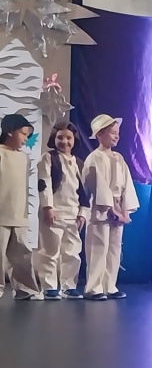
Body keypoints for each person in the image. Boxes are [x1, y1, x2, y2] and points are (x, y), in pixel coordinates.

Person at [82, 114, 139, 301]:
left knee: (114, 249)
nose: (116, 136)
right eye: (112, 133)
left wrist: (125, 210)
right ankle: (94, 287)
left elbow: (127, 184)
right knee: (99, 247)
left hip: (118, 208)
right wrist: (111, 209)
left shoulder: (118, 158)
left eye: (117, 132)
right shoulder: (94, 158)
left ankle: (110, 285)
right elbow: (97, 185)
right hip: (101, 208)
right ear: (99, 134)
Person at [36, 121, 90, 299]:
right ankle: (49, 286)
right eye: (60, 137)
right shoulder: (48, 158)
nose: (64, 141)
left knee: (72, 252)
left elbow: (84, 192)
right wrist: (48, 207)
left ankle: (69, 285)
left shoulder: (79, 163)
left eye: (68, 138)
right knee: (50, 251)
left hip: (72, 214)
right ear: (54, 138)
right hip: (54, 213)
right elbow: (44, 183)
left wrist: (82, 213)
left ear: (74, 140)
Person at [0, 113, 42, 300]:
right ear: (10, 131)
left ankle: (26, 288)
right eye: (23, 134)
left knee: (22, 254)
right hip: (1, 212)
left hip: (19, 212)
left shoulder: (23, 157)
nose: (26, 138)